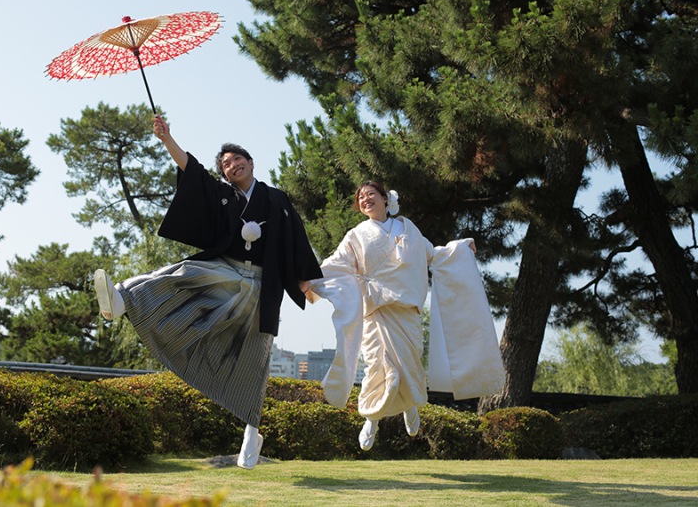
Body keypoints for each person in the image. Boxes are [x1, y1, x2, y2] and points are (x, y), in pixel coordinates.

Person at [94, 115, 322, 469]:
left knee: (255, 361)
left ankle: (252, 431)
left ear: (251, 162)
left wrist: (305, 281)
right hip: (226, 272)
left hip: (261, 287)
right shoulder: (223, 197)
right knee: (184, 272)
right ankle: (124, 298)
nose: (232, 166)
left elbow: (297, 242)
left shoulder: (277, 199)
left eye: (237, 160)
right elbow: (192, 170)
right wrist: (167, 139)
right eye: (226, 164)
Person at [305, 181, 503, 451]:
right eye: (360, 197)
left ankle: (410, 406)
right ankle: (371, 418)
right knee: (377, 366)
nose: (365, 199)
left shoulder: (409, 229)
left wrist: (461, 248)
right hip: (376, 312)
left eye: (371, 194)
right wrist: (308, 278)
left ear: (386, 198)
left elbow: (435, 255)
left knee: (410, 368)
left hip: (407, 312)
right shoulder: (356, 235)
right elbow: (336, 263)